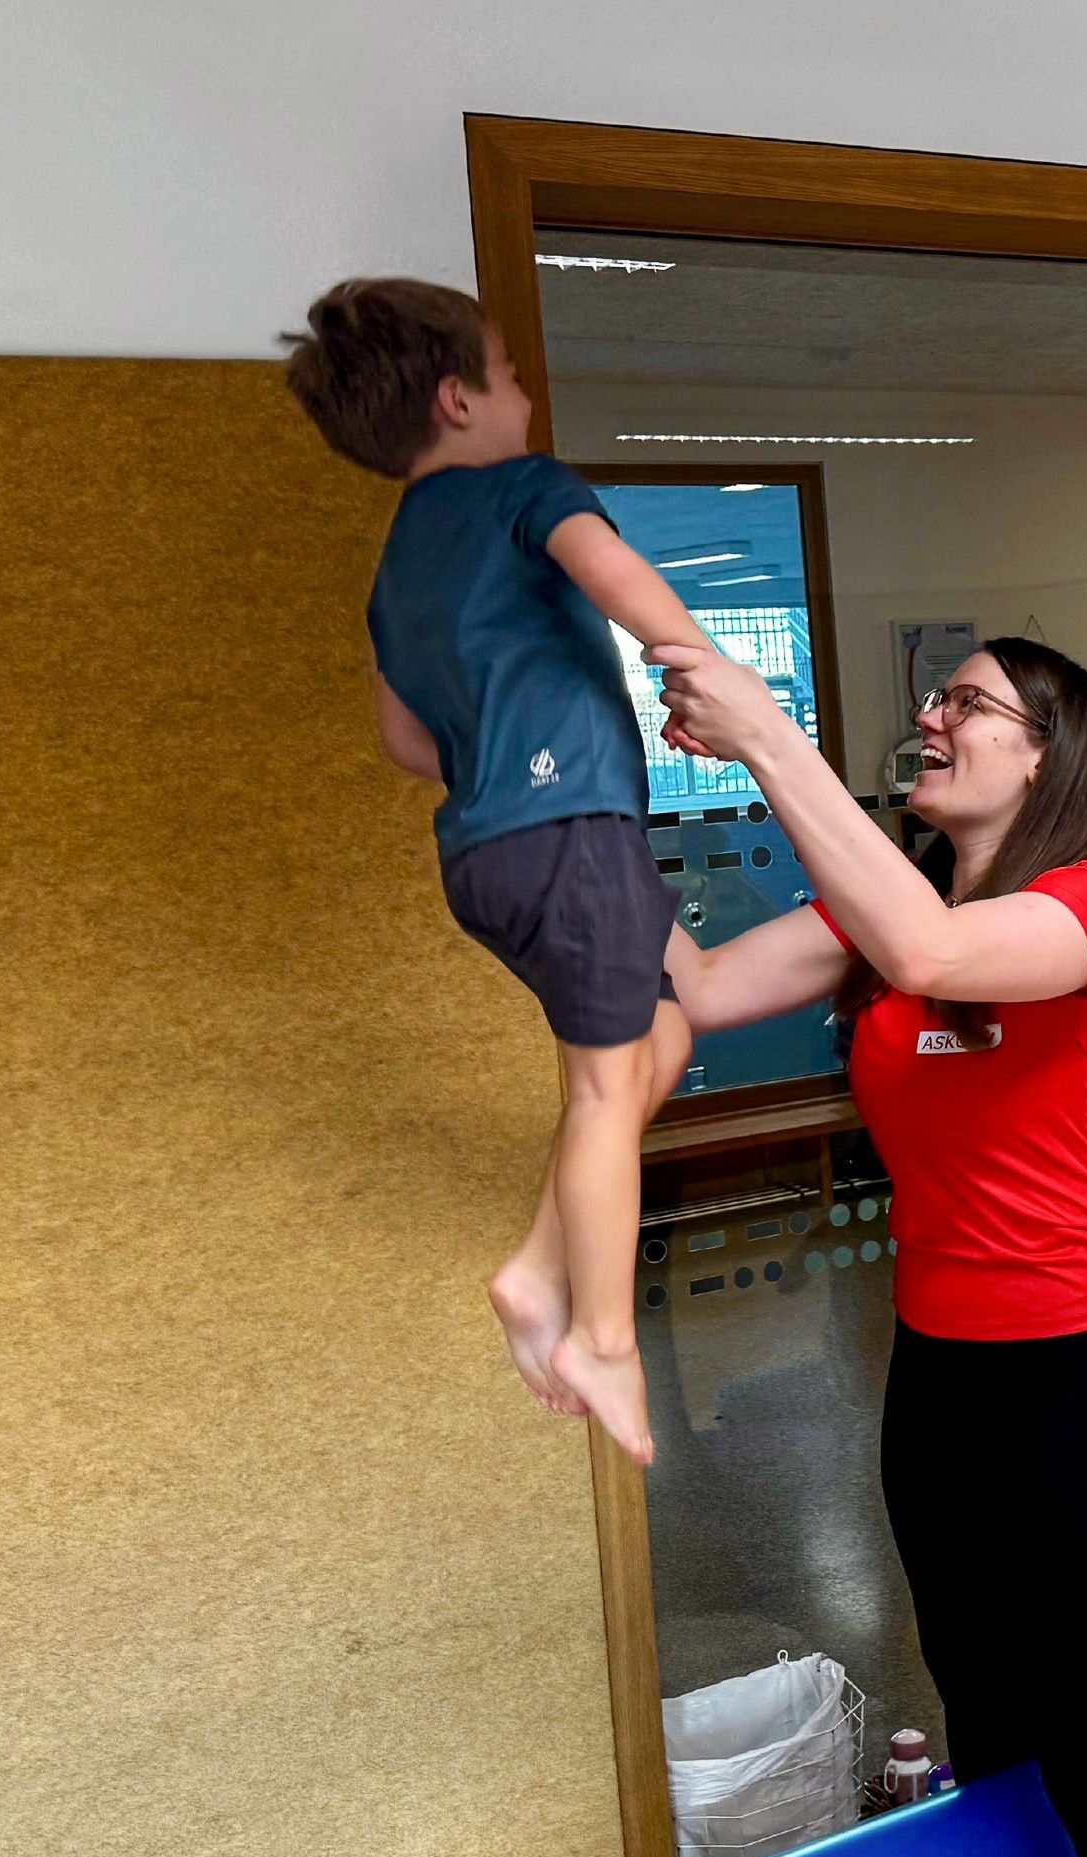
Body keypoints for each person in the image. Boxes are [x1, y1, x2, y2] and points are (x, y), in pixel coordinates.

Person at [657, 635, 1087, 1857]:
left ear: (1044, 751)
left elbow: (937, 957)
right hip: (943, 1381)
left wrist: (764, 736)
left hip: (1085, 1376)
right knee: (992, 1728)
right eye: (935, 694)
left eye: (966, 699)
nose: (932, 714)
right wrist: (564, 808)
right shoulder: (889, 907)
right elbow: (695, 981)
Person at [280, 278, 721, 1464]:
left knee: (660, 1045)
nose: (529, 394)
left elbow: (405, 739)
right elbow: (616, 577)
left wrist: (495, 753)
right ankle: (604, 1338)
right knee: (599, 1089)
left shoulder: (397, 567)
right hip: (570, 828)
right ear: (460, 396)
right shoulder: (528, 488)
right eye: (514, 373)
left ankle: (535, 1271)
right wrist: (701, 671)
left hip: (487, 852)